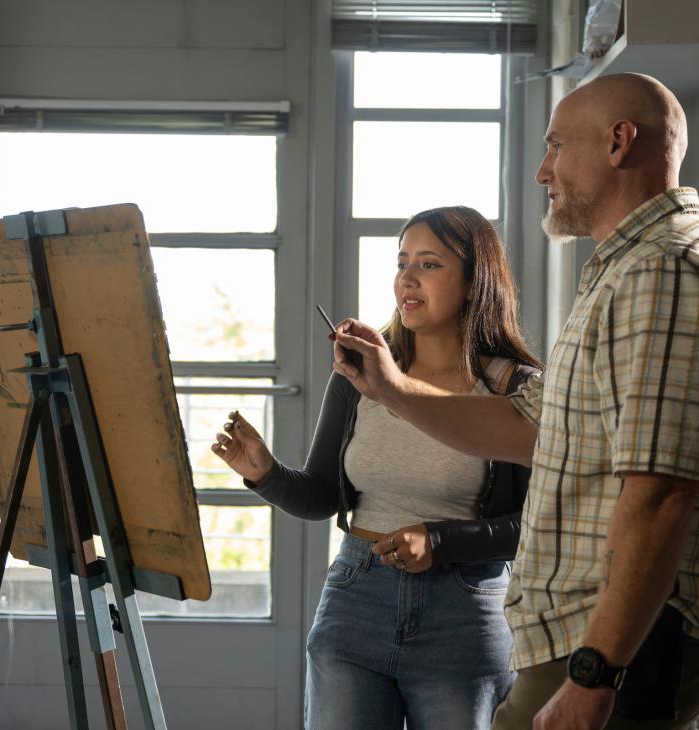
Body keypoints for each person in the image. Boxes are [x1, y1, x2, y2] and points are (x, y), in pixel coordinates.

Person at [329, 73, 699, 730]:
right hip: (584, 639)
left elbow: (662, 490)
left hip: (616, 646)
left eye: (556, 147)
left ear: (618, 143)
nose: (541, 171)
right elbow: (533, 429)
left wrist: (594, 674)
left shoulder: (659, 270)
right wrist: (389, 387)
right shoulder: (623, 267)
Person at [211, 205, 542, 729]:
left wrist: (440, 541)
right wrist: (265, 473)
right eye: (401, 261)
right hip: (354, 600)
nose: (407, 278)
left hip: (464, 617)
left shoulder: (517, 388)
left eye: (430, 264)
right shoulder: (360, 372)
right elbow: (323, 497)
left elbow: (535, 527)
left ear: (476, 281)